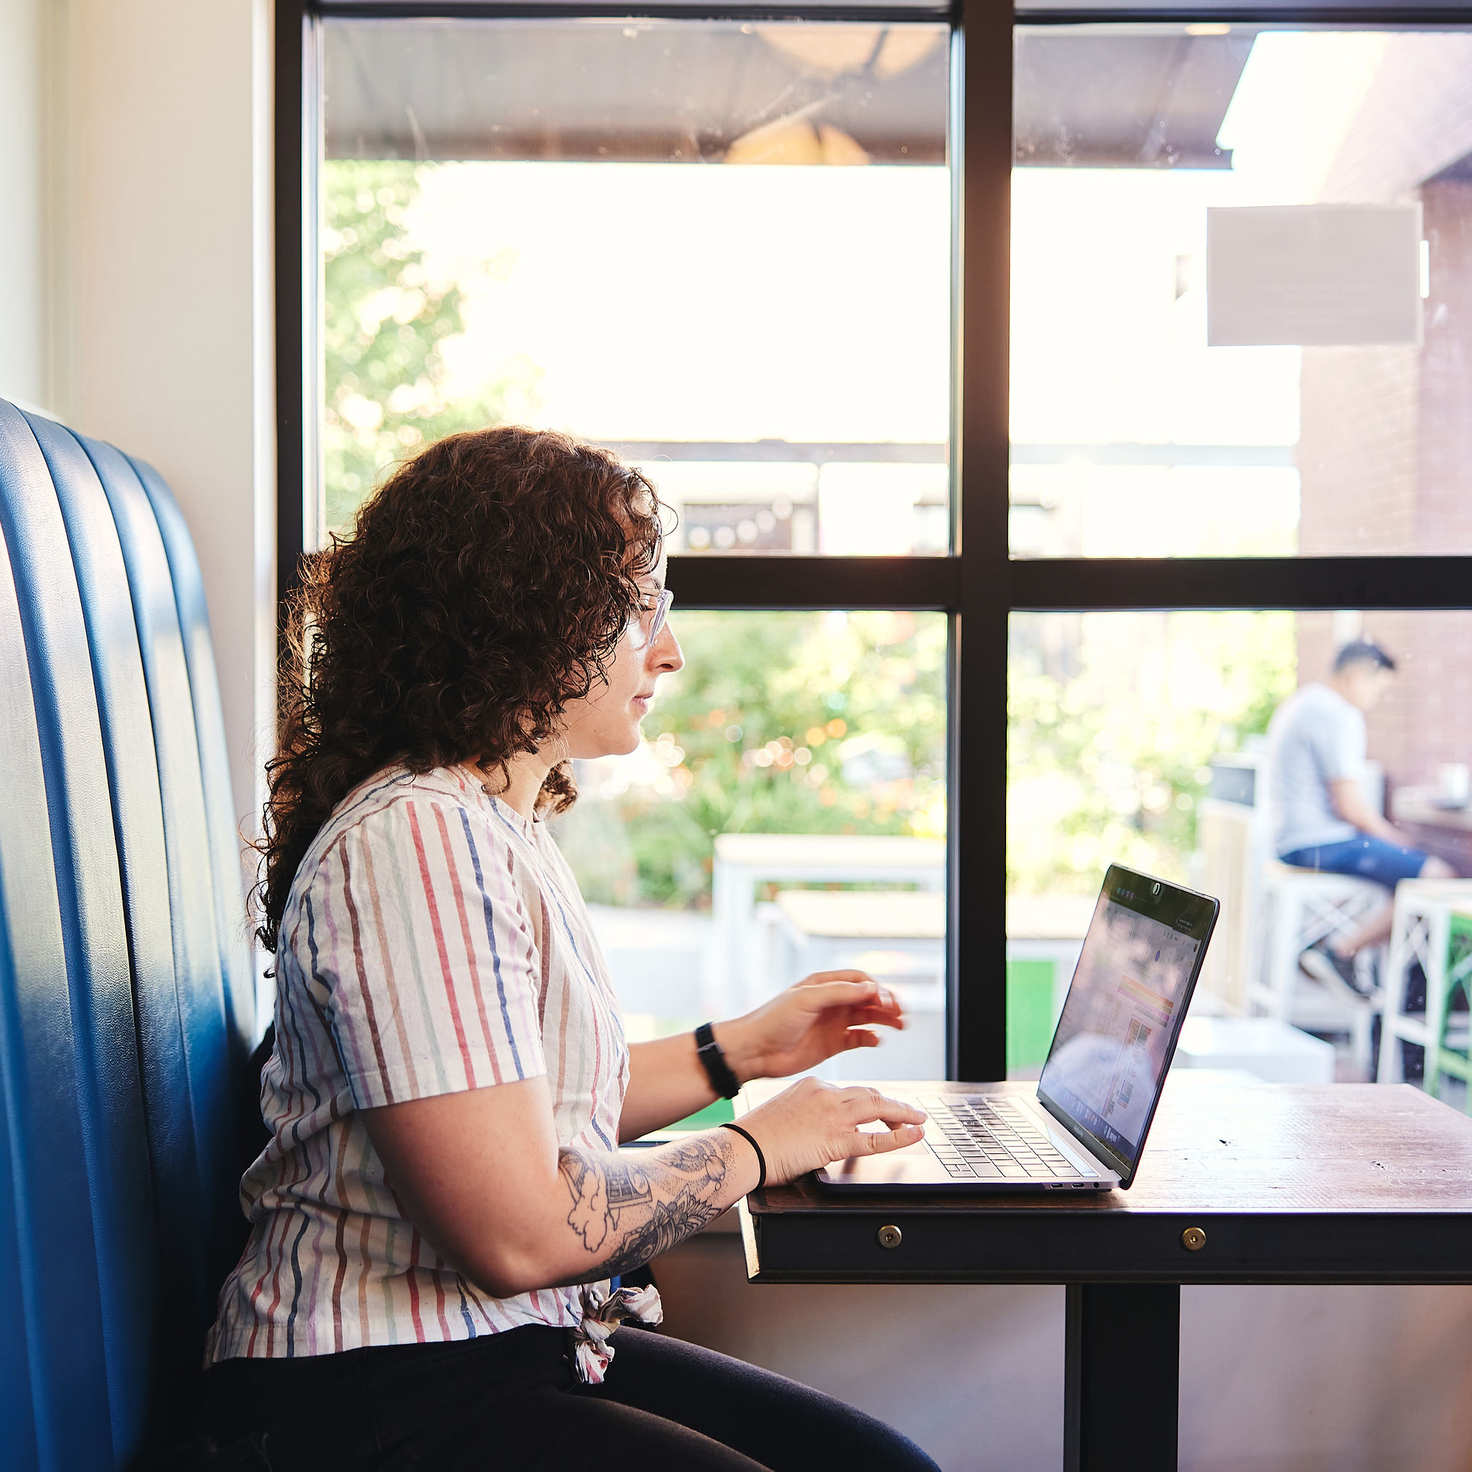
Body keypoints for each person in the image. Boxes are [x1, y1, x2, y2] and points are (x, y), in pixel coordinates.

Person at [195, 426, 941, 1471]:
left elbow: (515, 1105)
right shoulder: (415, 839)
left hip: (489, 1353)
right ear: (529, 619)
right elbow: (514, 1230)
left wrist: (741, 1052)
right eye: (641, 612)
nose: (668, 651)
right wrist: (763, 1142)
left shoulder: (488, 820)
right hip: (369, 1388)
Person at [1267, 638, 1454, 997]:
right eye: (1378, 687)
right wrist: (1395, 838)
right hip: (1317, 842)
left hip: (1292, 841)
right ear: (1357, 676)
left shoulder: (1304, 702)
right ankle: (1340, 949)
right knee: (1436, 876)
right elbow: (1349, 806)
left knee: (1398, 876)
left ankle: (1327, 943)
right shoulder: (1338, 713)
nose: (1376, 699)